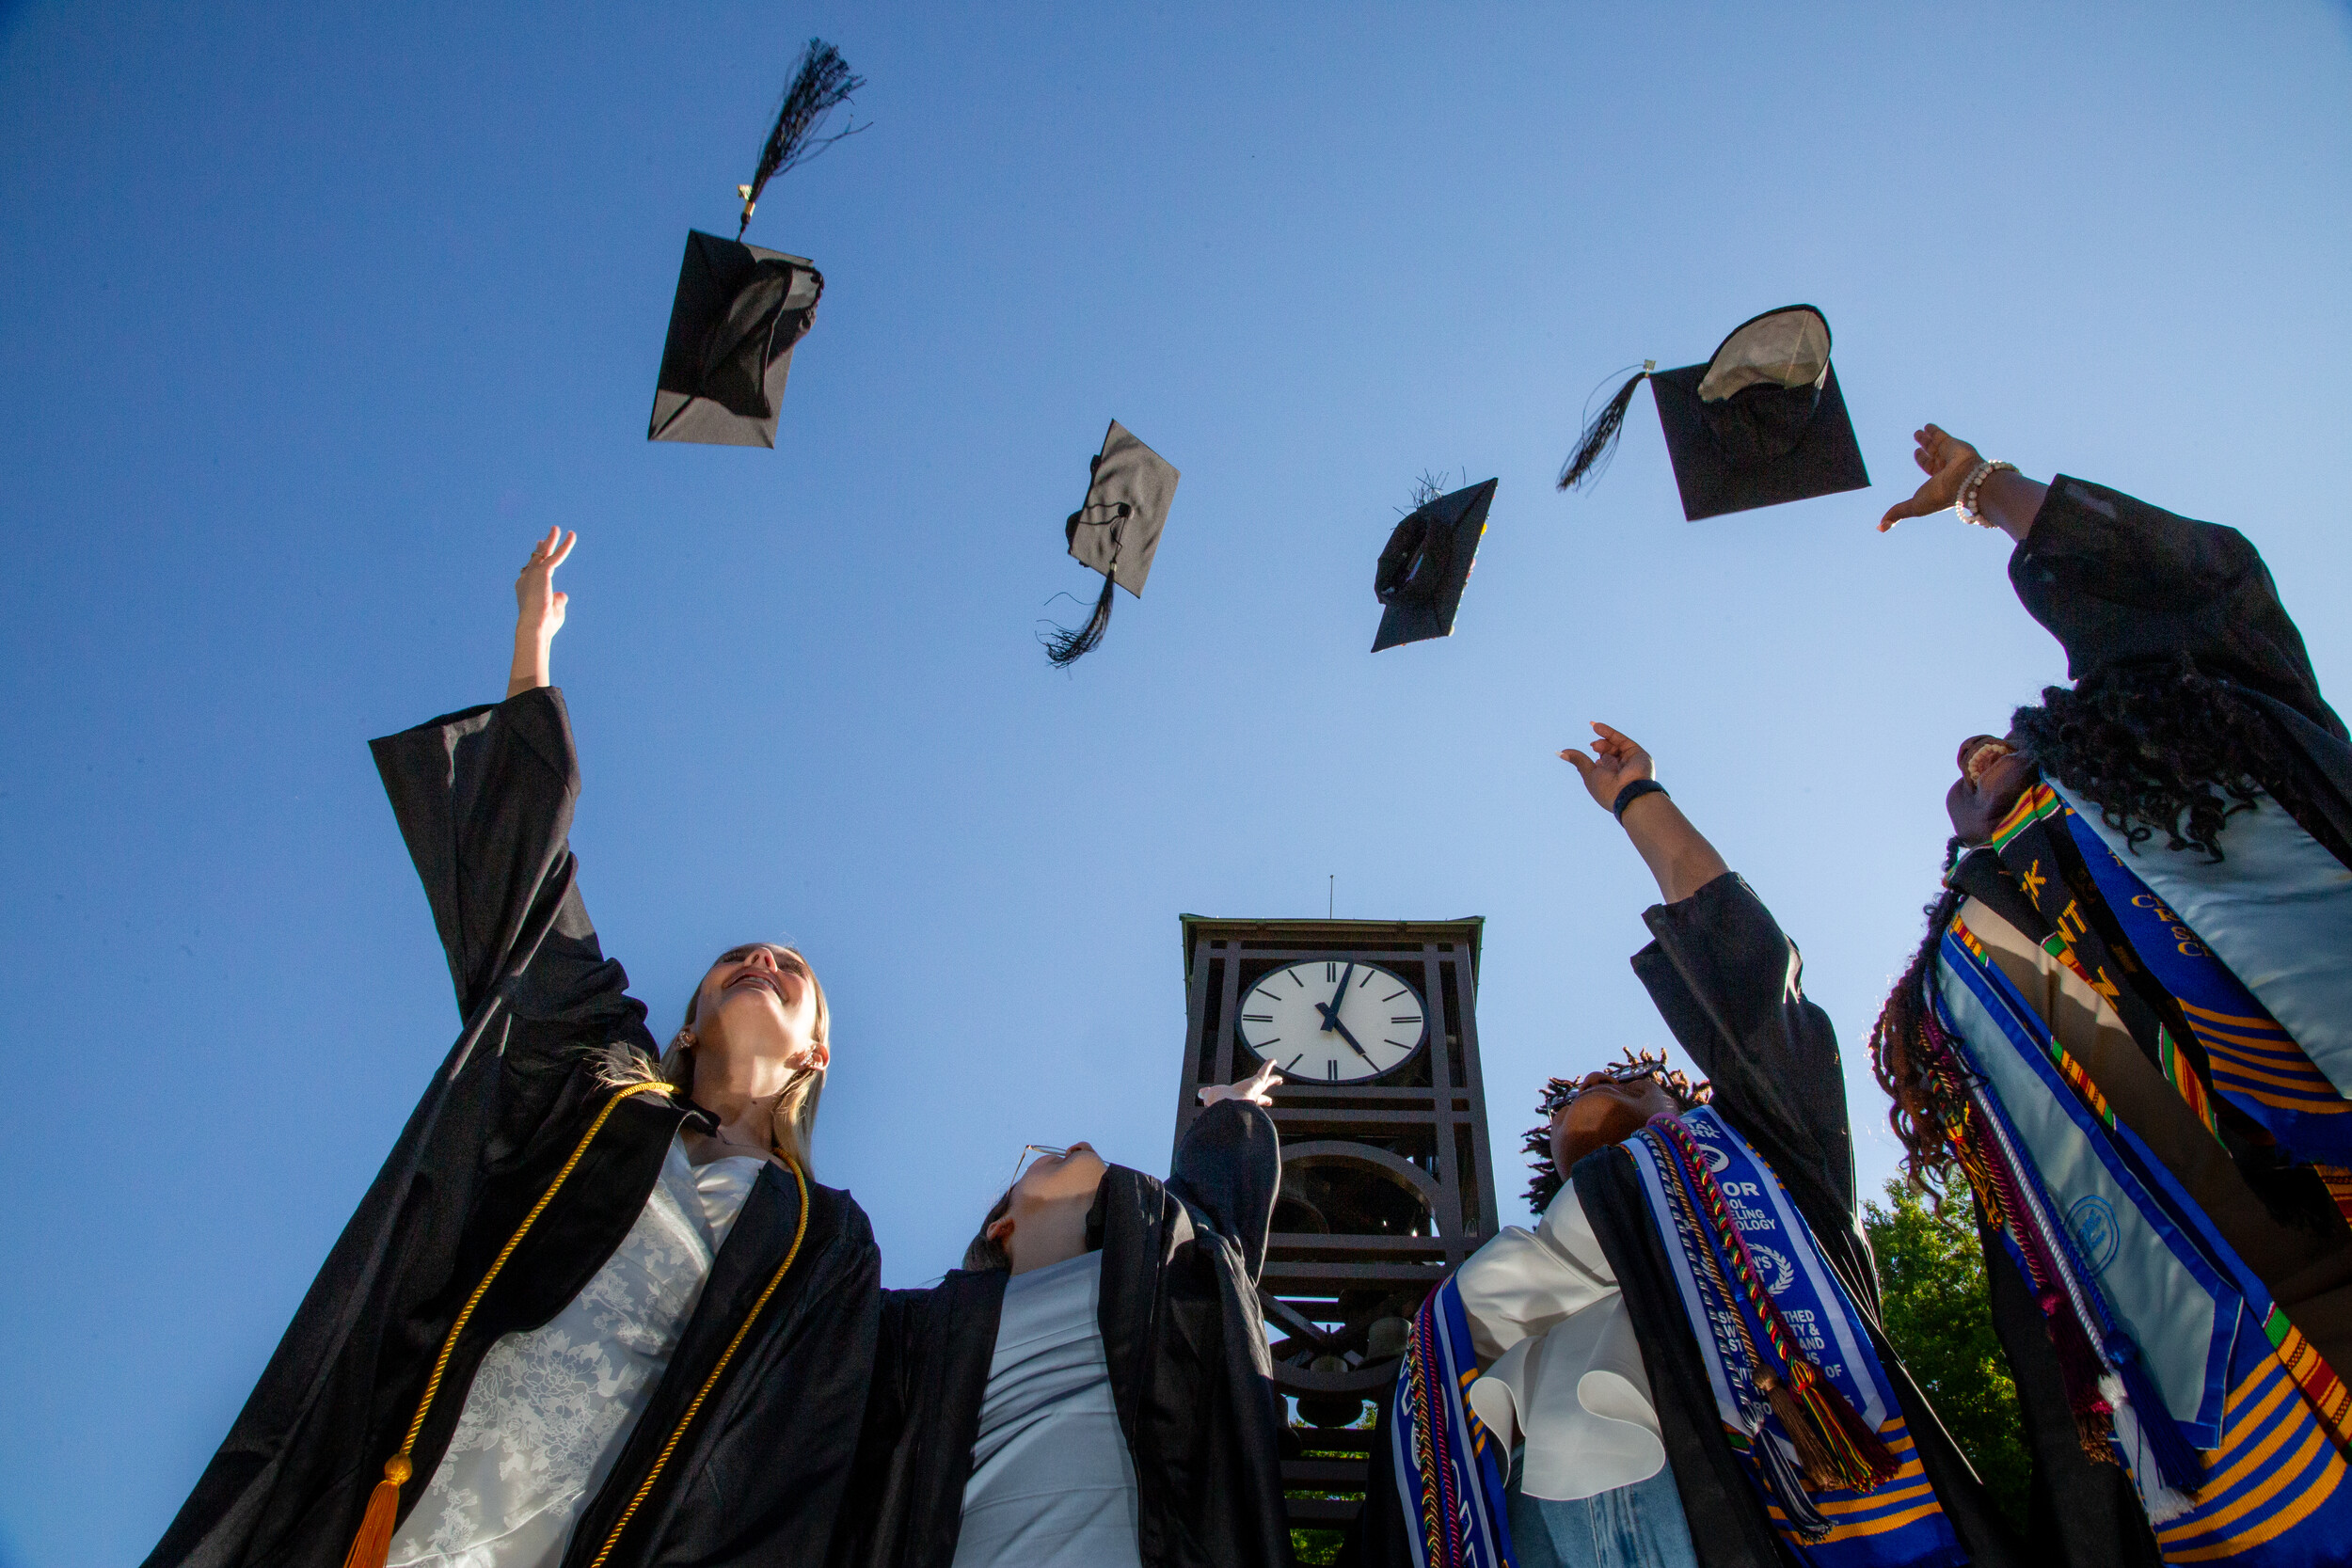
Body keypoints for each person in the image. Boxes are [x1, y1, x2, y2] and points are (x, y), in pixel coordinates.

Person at [144, 531, 882, 1568]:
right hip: (410, 1492)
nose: (761, 958)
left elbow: (799, 1456)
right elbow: (531, 896)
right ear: (684, 1023)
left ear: (815, 1054)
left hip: (582, 1534)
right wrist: (532, 648)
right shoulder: (602, 1077)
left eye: (792, 971)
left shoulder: (822, 1237)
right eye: (734, 959)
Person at [1359, 725, 2020, 1568]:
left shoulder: (1771, 1161)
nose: (1588, 1091)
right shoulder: (1503, 1280)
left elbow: (1747, 975)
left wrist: (1639, 803)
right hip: (1532, 1519)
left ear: (1691, 1093)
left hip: (1747, 1495)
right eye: (1566, 1098)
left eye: (1626, 1079)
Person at [1871, 428, 2352, 1566]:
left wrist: (1997, 495)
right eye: (1965, 766)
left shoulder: (2207, 744)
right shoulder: (1964, 967)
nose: (1978, 749)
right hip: (2244, 1304)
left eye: (2000, 738)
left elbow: (2202, 590)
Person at [834, 1064, 1291, 1568]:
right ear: (1000, 1227)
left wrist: (1232, 1107)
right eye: (1039, 1159)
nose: (1072, 1146)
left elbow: (1214, 1197)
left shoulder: (1174, 1274)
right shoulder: (919, 1333)